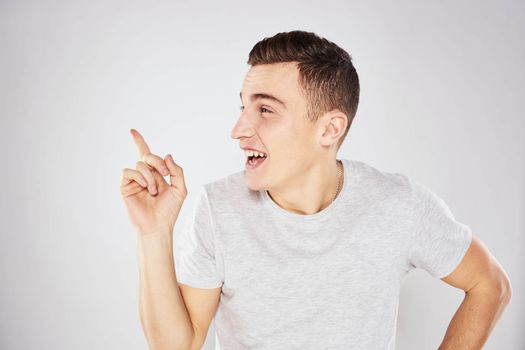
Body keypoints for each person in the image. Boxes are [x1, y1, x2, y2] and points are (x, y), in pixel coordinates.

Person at [120, 30, 512, 350]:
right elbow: (178, 345)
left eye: (265, 109)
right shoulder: (217, 207)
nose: (238, 129)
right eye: (242, 107)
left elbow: (488, 284)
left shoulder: (399, 204)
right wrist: (153, 234)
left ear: (329, 129)